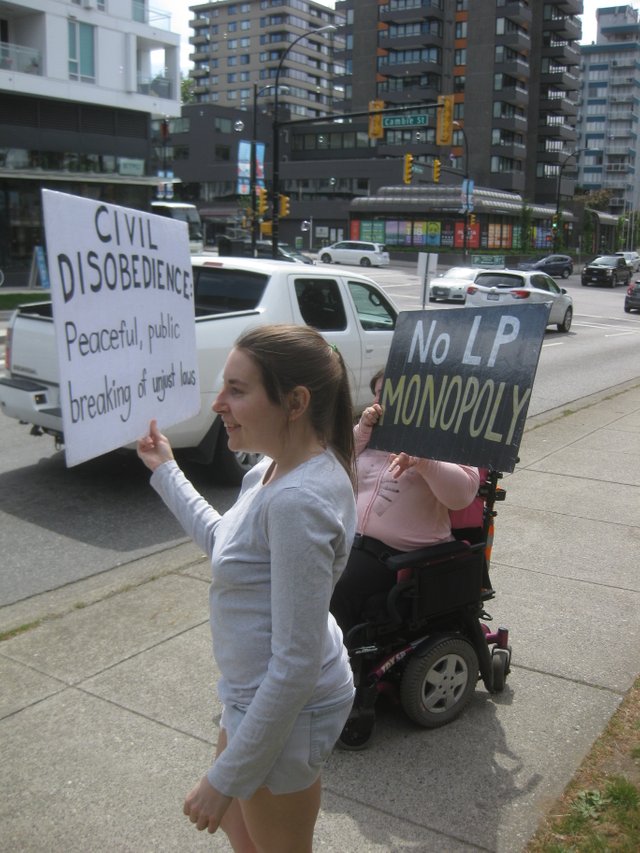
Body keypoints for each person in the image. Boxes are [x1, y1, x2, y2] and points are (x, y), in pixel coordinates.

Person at [137, 325, 357, 852]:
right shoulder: (270, 472)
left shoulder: (296, 501)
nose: (218, 404)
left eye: (237, 390)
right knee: (242, 835)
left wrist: (221, 780)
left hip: (288, 706)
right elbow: (226, 544)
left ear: (296, 401)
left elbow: (296, 665)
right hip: (252, 696)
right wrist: (166, 469)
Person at [330, 369, 480, 637]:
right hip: (353, 540)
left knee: (338, 586)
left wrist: (423, 461)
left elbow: (463, 495)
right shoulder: (371, 435)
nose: (381, 402)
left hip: (401, 554)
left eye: (389, 394)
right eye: (377, 394)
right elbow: (335, 460)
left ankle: (331, 665)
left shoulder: (442, 435)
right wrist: (363, 429)